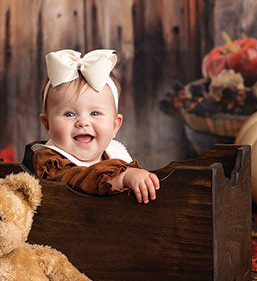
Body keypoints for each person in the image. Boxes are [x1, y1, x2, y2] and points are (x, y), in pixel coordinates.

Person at [25, 49, 160, 203]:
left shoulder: (115, 154)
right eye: (69, 114)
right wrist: (123, 177)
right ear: (47, 125)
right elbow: (79, 179)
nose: (83, 122)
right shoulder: (49, 162)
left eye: (95, 113)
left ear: (115, 126)